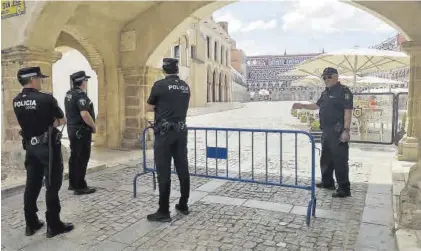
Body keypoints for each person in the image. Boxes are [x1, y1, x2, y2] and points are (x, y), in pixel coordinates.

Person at [13, 66, 74, 238]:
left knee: (31, 184)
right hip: (47, 147)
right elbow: (61, 119)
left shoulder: (16, 100)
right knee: (52, 184)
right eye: (39, 78)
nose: (41, 81)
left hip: (30, 147)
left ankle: (31, 223)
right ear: (32, 79)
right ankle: (53, 225)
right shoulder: (45, 98)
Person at [292, 67, 353, 198]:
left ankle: (344, 188)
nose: (326, 79)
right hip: (326, 131)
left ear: (336, 77)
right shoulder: (325, 93)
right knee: (326, 158)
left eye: (329, 76)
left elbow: (348, 112)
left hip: (338, 131)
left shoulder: (344, 92)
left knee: (340, 160)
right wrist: (301, 105)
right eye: (324, 77)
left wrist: (346, 131)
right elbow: (316, 105)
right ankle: (327, 182)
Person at [146, 58, 191, 222]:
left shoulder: (160, 85)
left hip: (165, 133)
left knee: (163, 171)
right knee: (182, 168)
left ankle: (163, 211)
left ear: (164, 70)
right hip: (181, 131)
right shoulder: (185, 86)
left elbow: (149, 106)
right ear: (176, 70)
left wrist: (160, 109)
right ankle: (183, 204)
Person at [64, 71, 96, 195]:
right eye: (86, 81)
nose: (86, 83)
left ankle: (73, 183)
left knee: (74, 157)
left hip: (72, 129)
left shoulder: (69, 94)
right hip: (81, 131)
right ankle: (80, 186)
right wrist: (93, 126)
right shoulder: (81, 96)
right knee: (82, 158)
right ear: (82, 82)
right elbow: (84, 114)